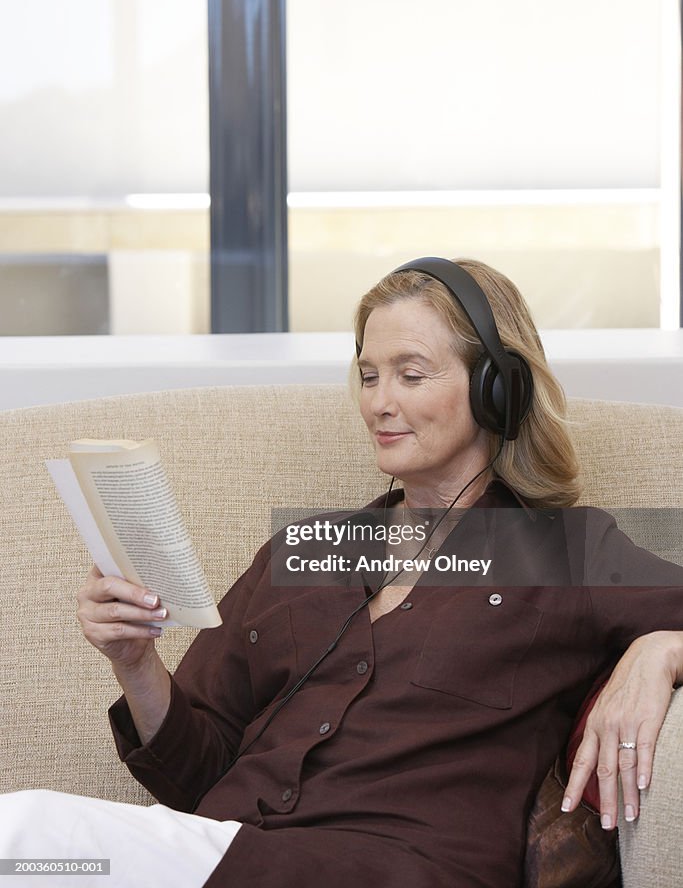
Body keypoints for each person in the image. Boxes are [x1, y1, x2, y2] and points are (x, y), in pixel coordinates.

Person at [2, 256, 683, 888]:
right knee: (42, 858)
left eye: (410, 375)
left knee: (25, 837)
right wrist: (134, 661)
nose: (379, 402)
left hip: (401, 869)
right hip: (236, 857)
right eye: (367, 375)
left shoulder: (566, 549)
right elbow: (198, 776)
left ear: (495, 388)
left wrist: (662, 648)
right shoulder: (305, 550)